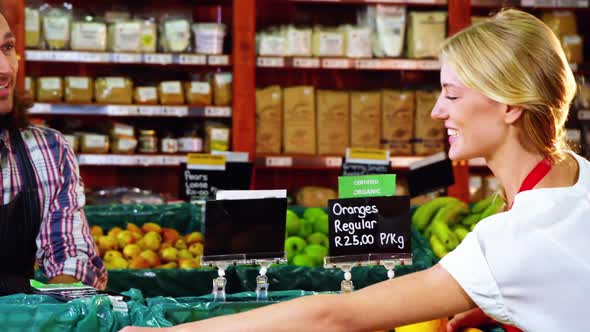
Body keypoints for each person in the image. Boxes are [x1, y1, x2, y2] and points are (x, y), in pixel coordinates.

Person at [122, 9, 590, 332]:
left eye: (451, 94)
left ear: (508, 107)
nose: (435, 112)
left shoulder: (512, 242)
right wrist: (498, 303)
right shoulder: (578, 176)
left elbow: (335, 317)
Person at [0, 13, 106, 293]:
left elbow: (69, 253)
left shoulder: (48, 151)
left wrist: (56, 302)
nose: (4, 68)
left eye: (6, 48)